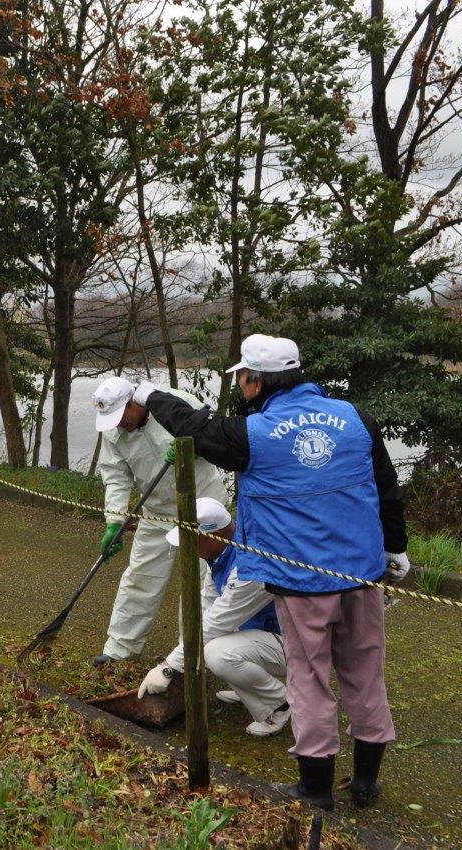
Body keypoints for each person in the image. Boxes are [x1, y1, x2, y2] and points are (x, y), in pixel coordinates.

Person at [132, 333, 410, 811]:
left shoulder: (251, 436)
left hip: (303, 584)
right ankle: (366, 784)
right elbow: (386, 486)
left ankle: (316, 789)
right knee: (365, 674)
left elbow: (193, 426)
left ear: (256, 381)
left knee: (309, 678)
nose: (240, 387)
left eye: (242, 377)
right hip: (362, 575)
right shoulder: (355, 418)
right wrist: (396, 548)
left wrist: (148, 395)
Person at [89, 376, 229, 666]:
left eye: (121, 416)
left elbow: (215, 438)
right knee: (140, 579)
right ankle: (119, 650)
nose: (118, 424)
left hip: (202, 506)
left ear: (134, 403)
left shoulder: (175, 403)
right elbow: (116, 476)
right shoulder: (114, 431)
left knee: (204, 585)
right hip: (156, 512)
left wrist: (190, 448)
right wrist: (115, 520)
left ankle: (192, 657)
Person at [135, 497, 290, 738]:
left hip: (293, 644)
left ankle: (279, 705)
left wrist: (168, 667)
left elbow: (216, 622)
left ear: (212, 535)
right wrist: (184, 663)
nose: (186, 548)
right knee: (204, 638)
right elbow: (207, 606)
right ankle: (248, 689)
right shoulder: (219, 555)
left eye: (191, 540)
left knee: (218, 653)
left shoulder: (250, 566)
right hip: (261, 635)